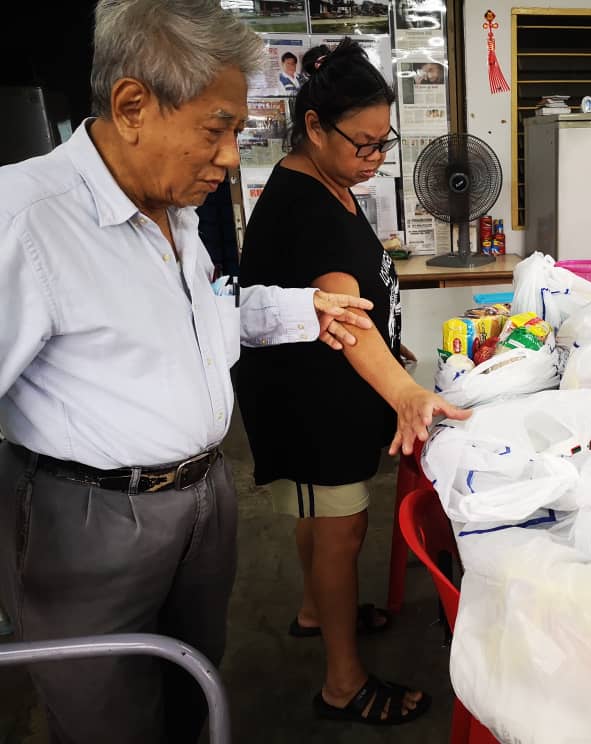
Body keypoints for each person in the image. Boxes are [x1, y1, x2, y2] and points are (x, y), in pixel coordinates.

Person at [0, 2, 375, 743]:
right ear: (132, 105)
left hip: (203, 500)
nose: (232, 156)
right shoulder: (27, 217)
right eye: (218, 128)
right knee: (111, 715)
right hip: (92, 522)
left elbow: (199, 319)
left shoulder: (170, 208)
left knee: (193, 685)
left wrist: (308, 312)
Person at [235, 40, 469, 727]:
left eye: (381, 143)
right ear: (312, 126)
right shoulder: (304, 205)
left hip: (333, 389)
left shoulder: (332, 180)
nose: (374, 157)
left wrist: (389, 339)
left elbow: (360, 301)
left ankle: (317, 610)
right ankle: (343, 683)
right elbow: (343, 310)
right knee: (339, 529)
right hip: (307, 402)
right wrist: (402, 390)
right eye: (360, 144)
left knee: (324, 520)